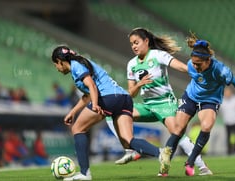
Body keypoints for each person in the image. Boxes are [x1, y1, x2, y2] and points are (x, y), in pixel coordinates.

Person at [51, 45, 171, 181]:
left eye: (56, 65)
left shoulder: (76, 66)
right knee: (128, 140)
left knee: (78, 129)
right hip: (124, 98)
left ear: (60, 61)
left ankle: (85, 174)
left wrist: (96, 105)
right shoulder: (81, 63)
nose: (57, 68)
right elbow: (87, 95)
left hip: (107, 98)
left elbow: (92, 87)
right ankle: (160, 153)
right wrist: (73, 112)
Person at [106, 27, 212, 176]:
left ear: (146, 41)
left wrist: (199, 72)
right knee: (112, 113)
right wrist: (139, 84)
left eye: (136, 42)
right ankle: (130, 149)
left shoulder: (158, 55)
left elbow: (181, 66)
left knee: (177, 134)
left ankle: (202, 167)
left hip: (165, 104)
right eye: (132, 44)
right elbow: (131, 93)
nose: (134, 46)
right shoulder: (132, 64)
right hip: (147, 105)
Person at [164, 33, 235, 176]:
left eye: (198, 64)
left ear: (208, 61)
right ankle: (165, 162)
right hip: (190, 97)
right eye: (193, 63)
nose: (195, 66)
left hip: (210, 100)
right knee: (178, 128)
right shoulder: (191, 65)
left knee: (206, 126)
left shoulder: (221, 70)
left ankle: (190, 161)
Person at [219, 86, 235, 155]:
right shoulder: (222, 101)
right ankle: (229, 151)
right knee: (228, 136)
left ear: (231, 92)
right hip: (227, 121)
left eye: (228, 92)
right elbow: (221, 111)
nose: (226, 94)